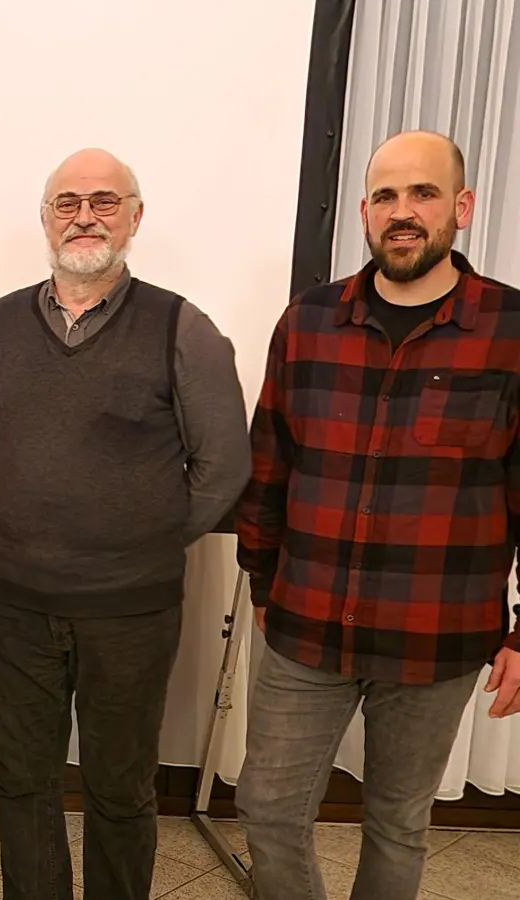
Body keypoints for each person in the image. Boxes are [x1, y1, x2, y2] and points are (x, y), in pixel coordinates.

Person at [0, 148, 251, 900]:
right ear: (46, 219)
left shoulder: (182, 327)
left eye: (105, 201)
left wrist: (138, 534)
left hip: (131, 611)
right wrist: (41, 514)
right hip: (16, 602)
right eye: (67, 202)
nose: (85, 216)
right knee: (22, 782)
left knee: (120, 791)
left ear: (136, 216)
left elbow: (224, 465)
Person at [235, 130, 520, 900]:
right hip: (306, 622)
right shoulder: (309, 320)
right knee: (266, 808)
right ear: (364, 211)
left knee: (397, 821)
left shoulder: (512, 331)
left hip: (440, 633)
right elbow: (270, 466)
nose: (403, 212)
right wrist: (262, 583)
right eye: (386, 196)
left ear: (460, 207)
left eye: (423, 193)